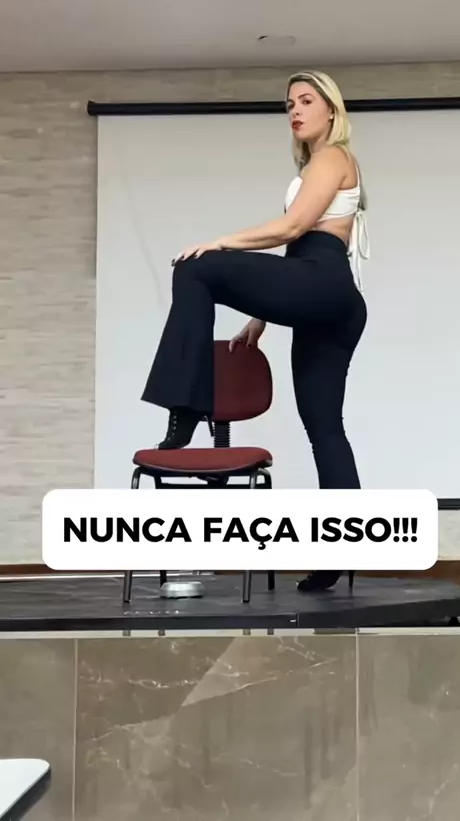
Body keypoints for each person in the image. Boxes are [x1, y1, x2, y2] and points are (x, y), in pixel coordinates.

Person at [141, 70, 369, 592]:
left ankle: (188, 405)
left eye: (306, 101)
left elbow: (292, 229)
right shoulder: (318, 166)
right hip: (328, 297)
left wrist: (221, 242)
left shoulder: (333, 157)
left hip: (322, 281)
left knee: (196, 268)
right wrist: (261, 316)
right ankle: (341, 554)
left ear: (331, 110)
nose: (295, 111)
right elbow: (298, 247)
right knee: (325, 428)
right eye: (289, 104)